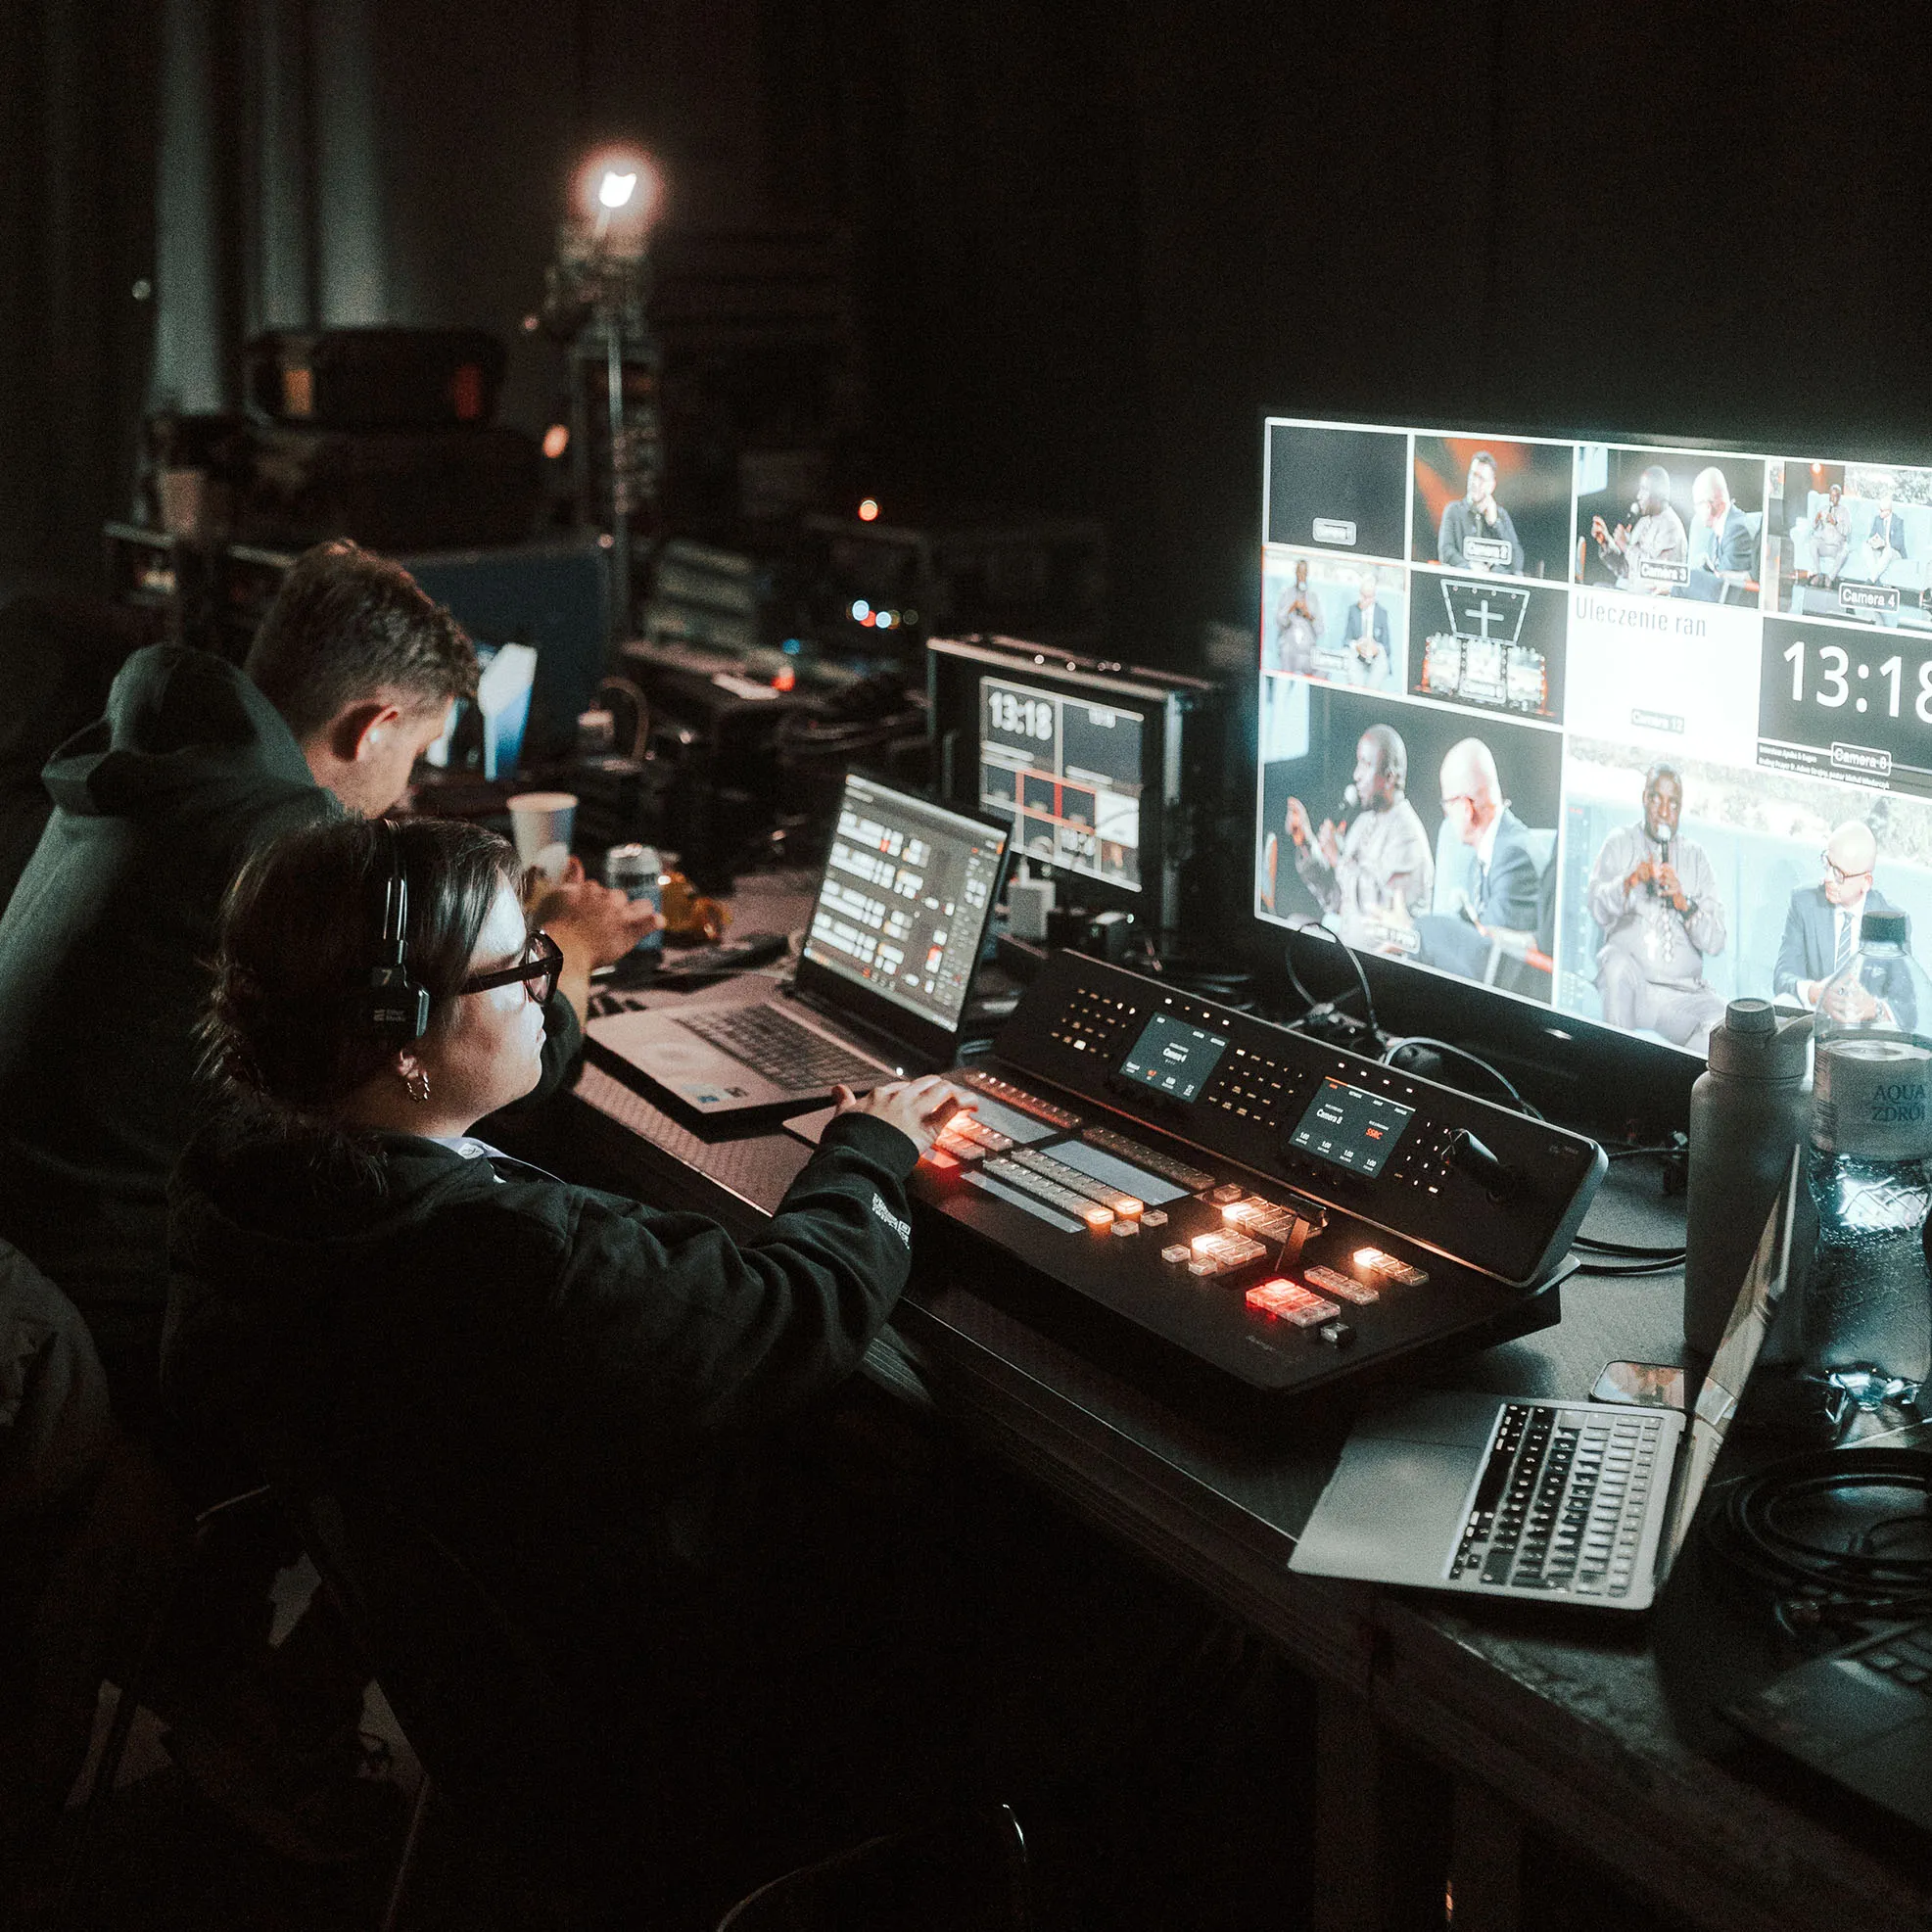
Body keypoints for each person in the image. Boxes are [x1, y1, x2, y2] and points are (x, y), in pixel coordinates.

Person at [164, 817, 1263, 1918]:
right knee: (1173, 1588)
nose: (546, 989)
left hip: (509, 1719)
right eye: (519, 966)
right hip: (709, 1727)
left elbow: (465, 1114)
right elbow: (794, 1307)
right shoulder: (522, 1265)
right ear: (400, 1035)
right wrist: (870, 1152)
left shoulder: (259, 1185)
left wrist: (551, 990)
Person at [0, 541, 651, 1431]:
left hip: (40, 1270)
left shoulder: (149, 775)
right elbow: (454, 1053)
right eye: (417, 758)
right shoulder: (280, 846)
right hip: (132, 1321)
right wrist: (567, 947)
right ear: (372, 725)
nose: (409, 793)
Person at [1587, 761, 1726, 1051]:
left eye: (1673, 804)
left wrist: (1683, 903)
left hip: (1681, 996)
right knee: (1615, 964)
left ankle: (1679, 1093)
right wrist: (1631, 881)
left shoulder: (1696, 857)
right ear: (1644, 799)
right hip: (1632, 988)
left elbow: (1715, 941)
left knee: (1722, 1023)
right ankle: (1616, 1073)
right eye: (1656, 799)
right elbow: (1598, 908)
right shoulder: (1620, 842)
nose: (1664, 812)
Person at [1284, 725, 1433, 949]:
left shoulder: (1407, 834)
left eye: (1365, 764)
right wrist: (1306, 844)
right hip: (1346, 951)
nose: (1356, 775)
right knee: (1291, 925)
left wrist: (1338, 860)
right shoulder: (1363, 823)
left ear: (1389, 777)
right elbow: (1337, 900)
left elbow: (1379, 907)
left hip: (1380, 968)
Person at [1414, 736, 1541, 978]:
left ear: (1465, 807)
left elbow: (1485, 955)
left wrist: (1411, 933)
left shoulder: (1514, 856)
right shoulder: (1486, 855)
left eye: (1446, 804)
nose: (1446, 814)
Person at [1772, 821, 1905, 1009]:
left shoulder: (1892, 920)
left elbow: (1905, 1004)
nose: (1828, 879)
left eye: (1838, 874)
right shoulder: (1804, 902)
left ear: (1866, 882)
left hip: (1863, 1028)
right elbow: (1782, 977)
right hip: (1814, 1016)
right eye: (1827, 865)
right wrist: (1813, 992)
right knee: (1782, 1003)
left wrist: (1873, 1008)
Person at [1591, 464, 1687, 594]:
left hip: (1651, 607)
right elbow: (1626, 570)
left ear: (1658, 493)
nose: (1638, 496)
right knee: (1596, 588)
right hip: (1633, 597)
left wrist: (1626, 546)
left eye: (1644, 489)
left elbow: (1655, 572)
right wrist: (1606, 542)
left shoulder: (1671, 526)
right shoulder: (1643, 522)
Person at [1437, 450, 1524, 575]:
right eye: (1473, 475)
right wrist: (1469, 567)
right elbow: (1446, 551)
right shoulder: (1453, 510)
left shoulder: (1501, 515)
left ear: (1491, 486)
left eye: (1481, 479)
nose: (1474, 483)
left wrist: (1495, 523)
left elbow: (1517, 563)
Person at [1682, 466, 1756, 589]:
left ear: (1707, 506)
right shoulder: (1715, 535)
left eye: (1697, 505)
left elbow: (1723, 588)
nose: (1696, 511)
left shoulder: (1736, 531)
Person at [1340, 572, 1394, 683]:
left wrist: (1376, 649)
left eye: (1367, 597)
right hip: (1357, 656)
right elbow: (1346, 641)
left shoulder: (1382, 613)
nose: (1363, 599)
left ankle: (1371, 694)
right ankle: (1357, 692)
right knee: (1346, 655)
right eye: (1361, 595)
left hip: (1375, 658)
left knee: (1383, 661)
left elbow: (1387, 648)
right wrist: (1357, 646)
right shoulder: (1353, 611)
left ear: (1373, 597)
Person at [1271, 558, 1323, 672]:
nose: (1301, 576)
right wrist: (1291, 608)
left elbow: (1320, 629)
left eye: (1304, 573)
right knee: (1285, 652)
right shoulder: (1286, 594)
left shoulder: (1313, 597)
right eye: (1299, 572)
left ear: (1307, 574)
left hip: (1307, 648)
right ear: (1295, 572)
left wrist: (1308, 614)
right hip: (1289, 647)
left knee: (1321, 669)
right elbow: (1279, 623)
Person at [1808, 481, 1851, 589]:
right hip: (1825, 544)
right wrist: (1816, 520)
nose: (1833, 499)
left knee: (1845, 551)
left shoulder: (1844, 511)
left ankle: (1830, 578)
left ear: (1839, 497)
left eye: (1835, 496)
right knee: (1813, 542)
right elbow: (1813, 527)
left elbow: (1847, 531)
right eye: (1831, 496)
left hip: (1836, 546)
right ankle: (1818, 574)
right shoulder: (1823, 509)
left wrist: (1835, 523)